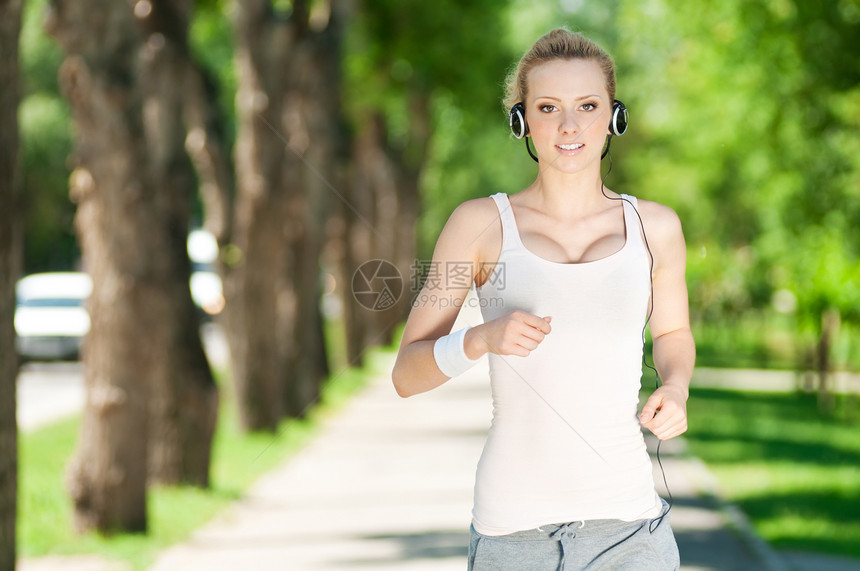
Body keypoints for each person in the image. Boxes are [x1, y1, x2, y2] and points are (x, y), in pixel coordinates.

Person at [391, 28, 694, 570]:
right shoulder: (479, 225)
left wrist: (675, 387)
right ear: (522, 120)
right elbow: (406, 373)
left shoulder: (655, 228)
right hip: (514, 534)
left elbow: (672, 333)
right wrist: (481, 338)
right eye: (549, 107)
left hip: (631, 531)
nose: (570, 125)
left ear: (614, 117)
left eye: (588, 105)